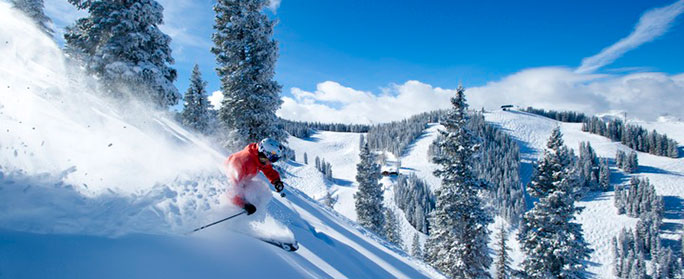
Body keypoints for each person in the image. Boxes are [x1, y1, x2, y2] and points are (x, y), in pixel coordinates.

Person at [224, 138, 285, 215]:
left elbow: (268, 169)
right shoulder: (241, 162)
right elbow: (230, 188)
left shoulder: (259, 158)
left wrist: (276, 181)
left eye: (275, 159)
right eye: (272, 158)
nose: (271, 162)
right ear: (264, 152)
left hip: (241, 184)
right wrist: (244, 204)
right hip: (227, 192)